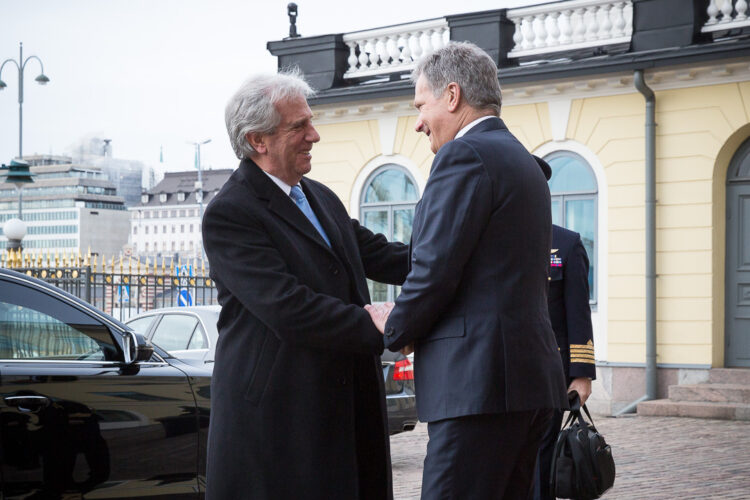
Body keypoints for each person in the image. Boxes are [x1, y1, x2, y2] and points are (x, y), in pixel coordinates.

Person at [366, 42, 568, 499]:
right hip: (527, 384)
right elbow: (474, 265)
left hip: (478, 388)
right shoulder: (524, 161)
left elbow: (435, 269)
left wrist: (393, 326)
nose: (418, 121)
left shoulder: (463, 155)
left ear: (452, 96)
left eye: (421, 105)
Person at [202, 71, 409, 500]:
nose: (314, 135)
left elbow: (384, 256)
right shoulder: (230, 213)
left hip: (345, 401)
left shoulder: (319, 196)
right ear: (258, 140)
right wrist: (375, 323)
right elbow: (288, 307)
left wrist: (461, 256)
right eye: (299, 126)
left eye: (310, 122)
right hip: (282, 418)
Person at [531, 157, 596, 500]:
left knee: (541, 459)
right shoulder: (489, 240)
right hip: (500, 369)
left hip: (550, 373)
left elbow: (578, 312)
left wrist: (581, 374)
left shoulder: (566, 244)